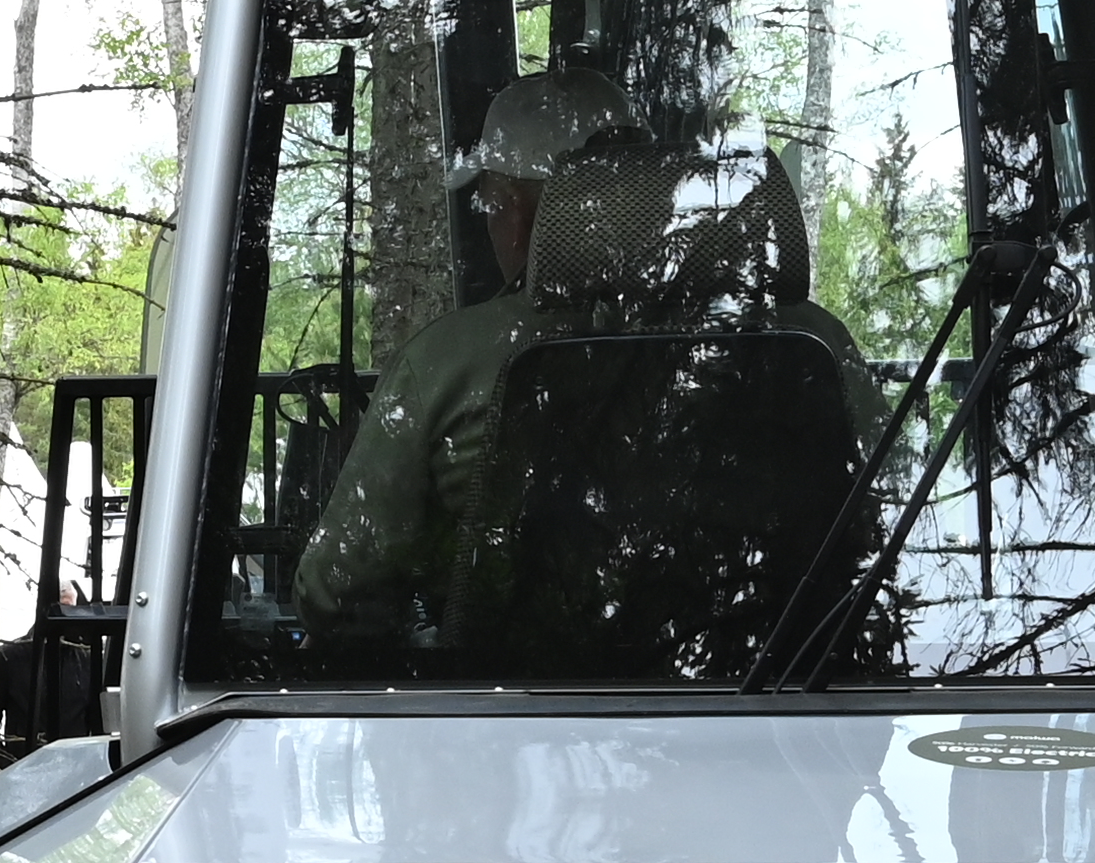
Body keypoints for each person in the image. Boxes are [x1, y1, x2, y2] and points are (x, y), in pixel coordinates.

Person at [295, 63, 867, 657]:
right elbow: (881, 530)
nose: (489, 220)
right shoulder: (814, 342)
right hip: (779, 685)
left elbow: (336, 593)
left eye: (489, 201)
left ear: (521, 213)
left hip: (518, 703)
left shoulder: (449, 361)